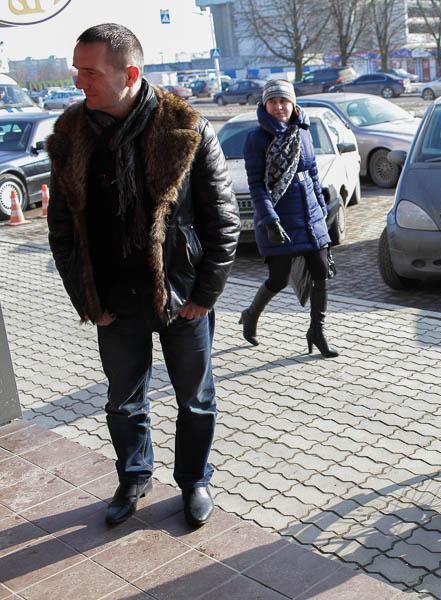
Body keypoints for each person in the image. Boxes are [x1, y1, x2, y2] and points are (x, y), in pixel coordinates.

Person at [46, 23, 240, 526]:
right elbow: (62, 232)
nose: (78, 82)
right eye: (77, 70)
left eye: (89, 72)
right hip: (114, 299)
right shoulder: (70, 135)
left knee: (195, 402)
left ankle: (194, 481)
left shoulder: (186, 128)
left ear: (129, 73)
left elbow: (223, 219)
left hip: (182, 297)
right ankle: (134, 475)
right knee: (122, 402)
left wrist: (206, 294)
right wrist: (86, 298)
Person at [238, 79, 338, 358]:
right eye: (273, 101)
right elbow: (256, 185)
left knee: (321, 272)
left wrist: (322, 211)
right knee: (278, 278)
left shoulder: (304, 132)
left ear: (293, 103)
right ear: (265, 105)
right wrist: (269, 219)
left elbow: (314, 175)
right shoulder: (256, 139)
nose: (279, 107)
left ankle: (317, 332)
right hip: (279, 219)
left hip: (310, 217)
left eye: (284, 101)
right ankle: (250, 315)